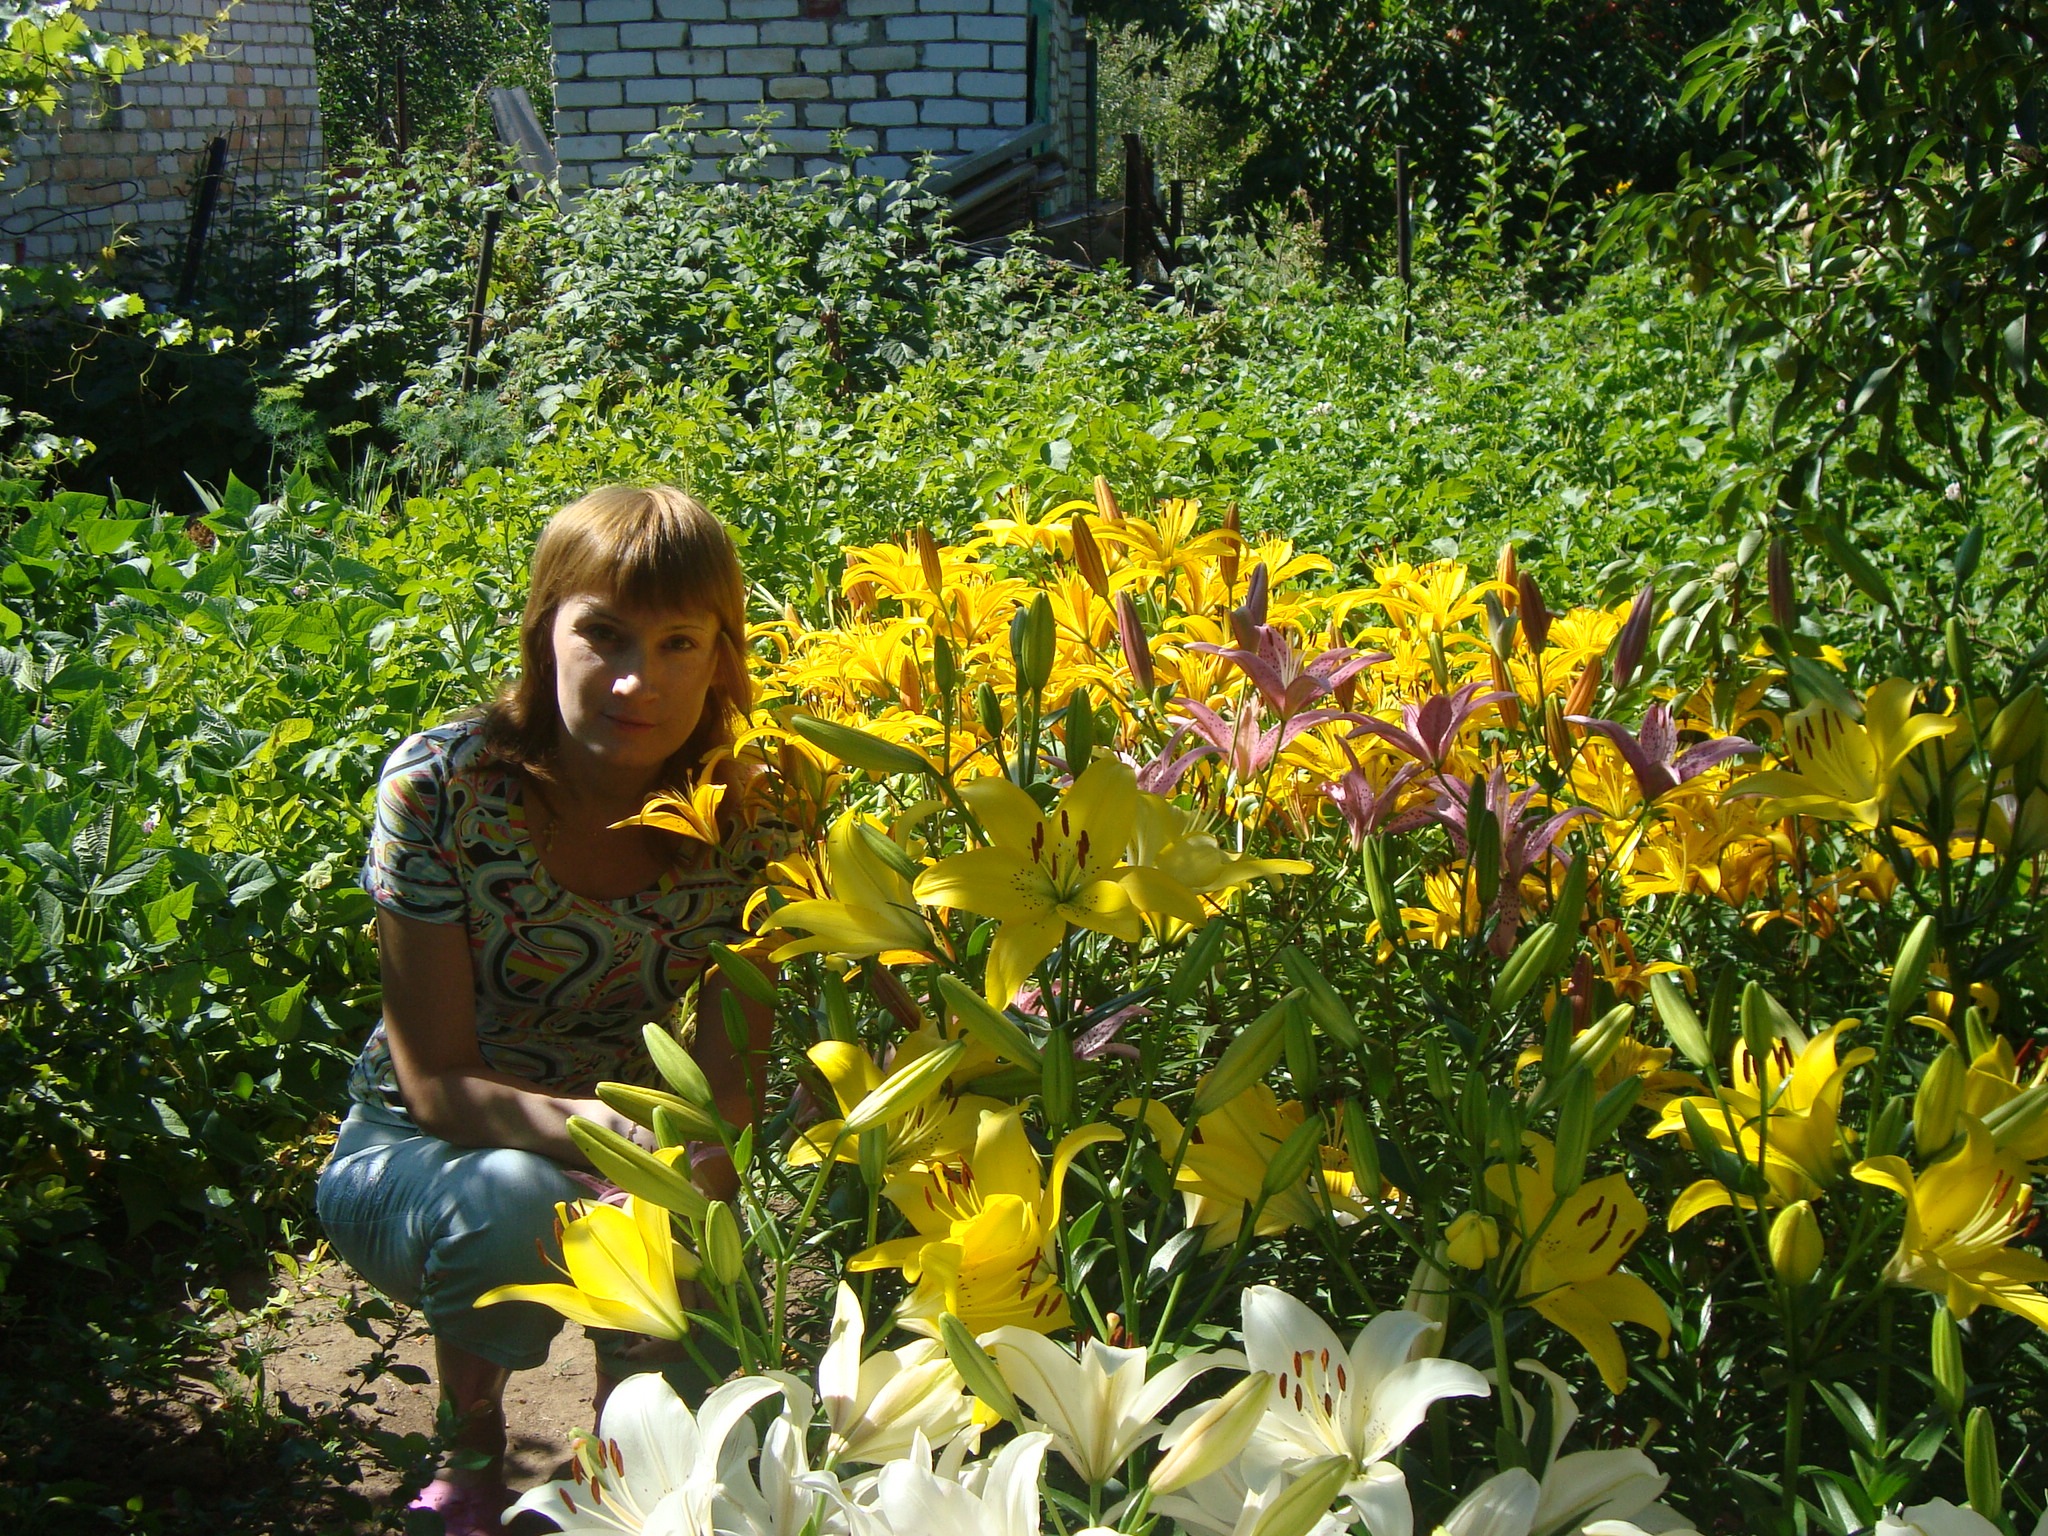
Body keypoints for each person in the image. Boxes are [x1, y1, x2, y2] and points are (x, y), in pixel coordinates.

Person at [314, 485, 783, 1535]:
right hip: (418, 1153)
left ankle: (625, 1480)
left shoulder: (754, 815)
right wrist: (603, 1142)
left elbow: (730, 1079)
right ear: (543, 631)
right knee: (516, 1202)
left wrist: (684, 1186)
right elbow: (437, 1083)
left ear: (721, 657)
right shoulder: (442, 788)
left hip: (638, 1145)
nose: (636, 680)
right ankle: (471, 1451)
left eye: (677, 643)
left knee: (705, 1358)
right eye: (602, 634)